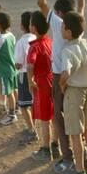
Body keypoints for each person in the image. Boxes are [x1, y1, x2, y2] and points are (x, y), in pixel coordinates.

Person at [37, 0, 86, 170]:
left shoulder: (59, 25)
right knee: (78, 117)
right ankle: (82, 152)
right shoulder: (79, 23)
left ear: (59, 13)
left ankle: (67, 158)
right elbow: (82, 6)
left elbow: (41, 4)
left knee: (59, 116)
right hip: (79, 78)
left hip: (60, 76)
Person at [58, 12, 87, 174]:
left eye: (62, 26)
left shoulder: (68, 50)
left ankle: (79, 171)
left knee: (75, 133)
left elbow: (66, 72)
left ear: (68, 31)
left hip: (74, 92)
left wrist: (61, 85)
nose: (60, 28)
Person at [28, 11, 54, 161]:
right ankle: (55, 146)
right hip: (52, 80)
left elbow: (30, 65)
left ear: (34, 28)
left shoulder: (35, 46)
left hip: (42, 83)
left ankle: (46, 149)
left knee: (45, 118)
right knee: (54, 115)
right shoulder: (49, 41)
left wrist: (30, 81)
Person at [0, 12, 18, 125]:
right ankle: (16, 108)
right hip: (12, 67)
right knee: (14, 90)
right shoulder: (11, 35)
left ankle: (11, 115)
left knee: (9, 92)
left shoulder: (0, 38)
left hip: (4, 70)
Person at [14, 11, 37, 144]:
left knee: (23, 105)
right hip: (37, 76)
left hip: (24, 75)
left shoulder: (21, 41)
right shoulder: (37, 39)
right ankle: (32, 125)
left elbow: (18, 64)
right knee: (32, 103)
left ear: (22, 26)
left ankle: (31, 130)